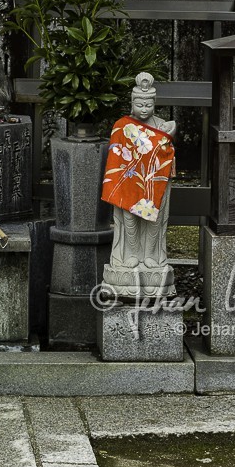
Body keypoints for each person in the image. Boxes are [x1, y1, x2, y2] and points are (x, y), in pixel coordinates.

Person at [100, 72, 176, 298]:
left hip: (155, 181)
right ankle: (130, 254)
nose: (143, 108)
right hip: (129, 180)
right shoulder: (123, 125)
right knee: (129, 218)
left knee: (155, 219)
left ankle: (151, 255)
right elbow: (116, 153)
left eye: (148, 104)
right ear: (132, 104)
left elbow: (167, 153)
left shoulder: (163, 125)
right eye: (139, 104)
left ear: (155, 103)